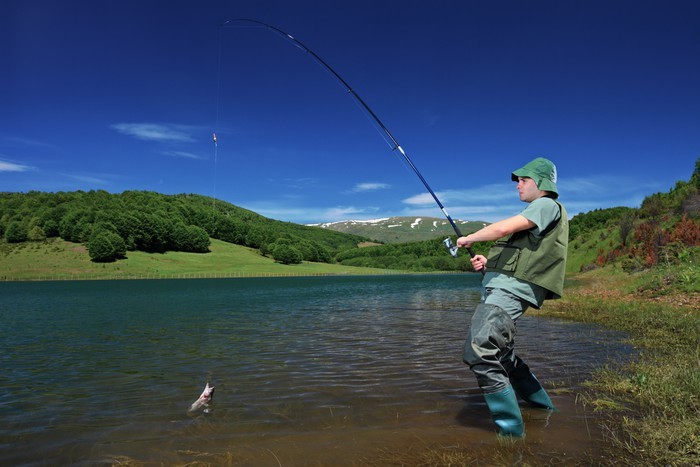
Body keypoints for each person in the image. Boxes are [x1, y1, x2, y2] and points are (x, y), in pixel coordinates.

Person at [456, 157, 568, 438]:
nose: (518, 185)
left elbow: (503, 228)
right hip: (504, 286)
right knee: (503, 356)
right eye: (518, 180)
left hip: (510, 291)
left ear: (541, 183)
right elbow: (522, 254)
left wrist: (470, 238)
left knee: (480, 349)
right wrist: (489, 263)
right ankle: (542, 408)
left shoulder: (546, 204)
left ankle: (511, 437)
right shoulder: (540, 210)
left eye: (524, 180)